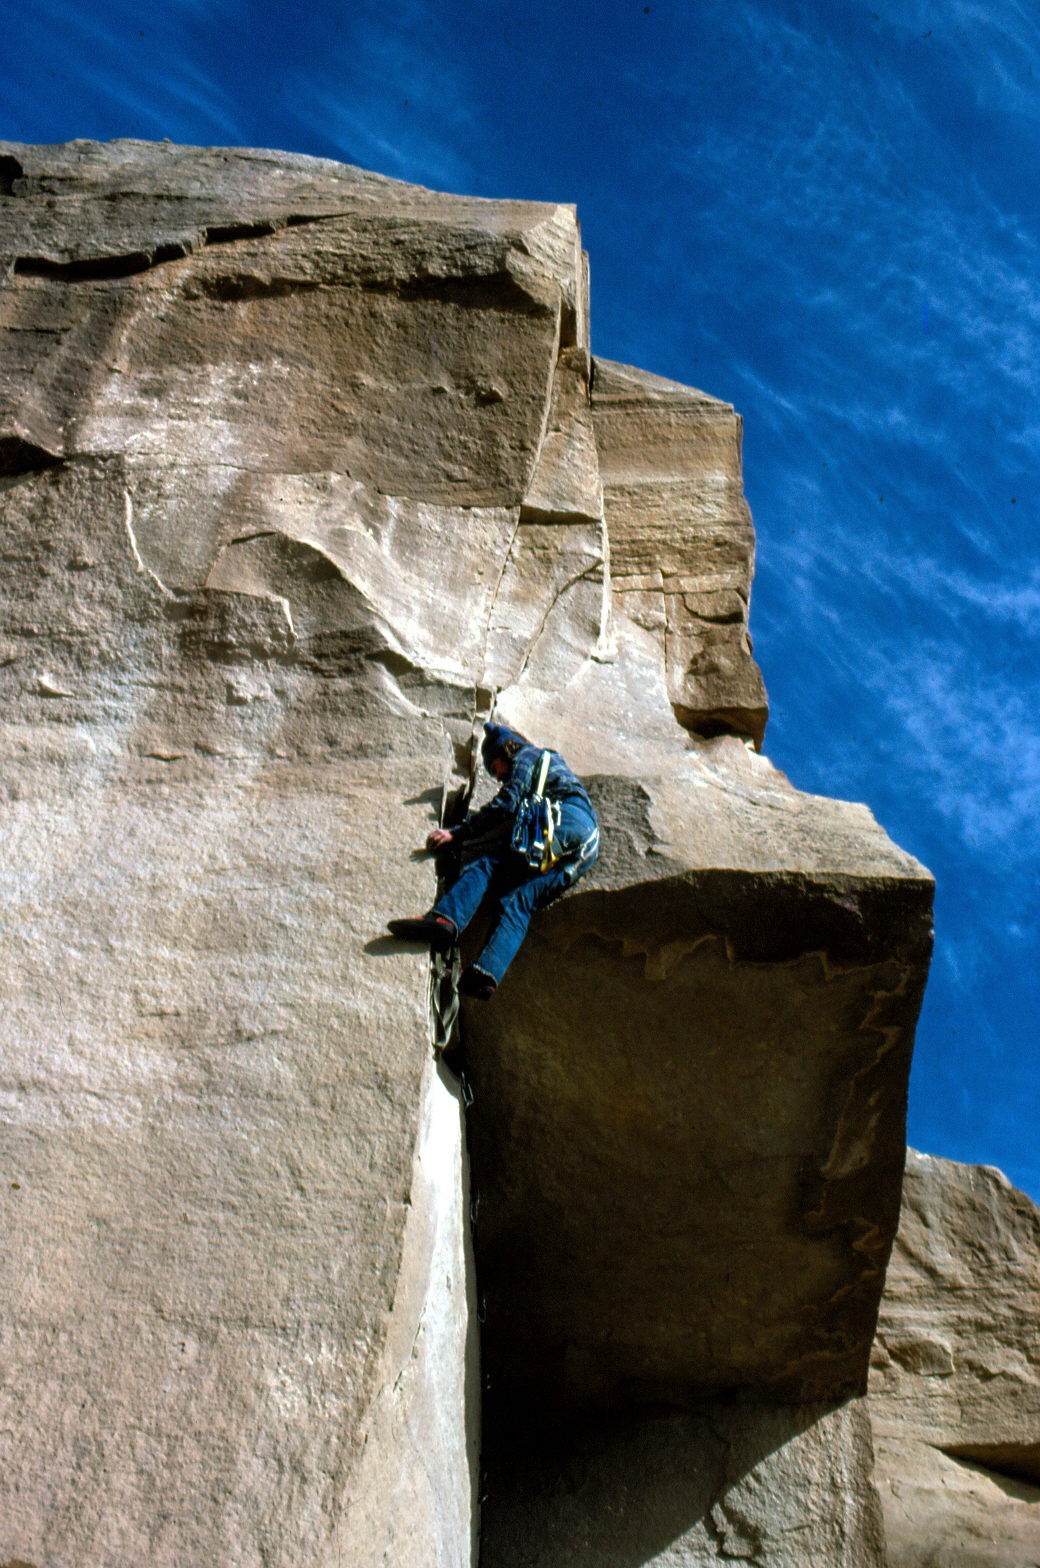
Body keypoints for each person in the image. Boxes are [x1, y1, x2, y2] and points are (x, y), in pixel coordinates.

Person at [388, 723, 599, 999]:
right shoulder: (552, 765)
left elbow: (507, 803)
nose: (497, 776)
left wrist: (457, 833)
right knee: (520, 900)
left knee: (488, 865)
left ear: (504, 752)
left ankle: (445, 920)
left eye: (494, 768)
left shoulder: (527, 757)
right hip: (586, 845)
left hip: (564, 822)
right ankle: (483, 976)